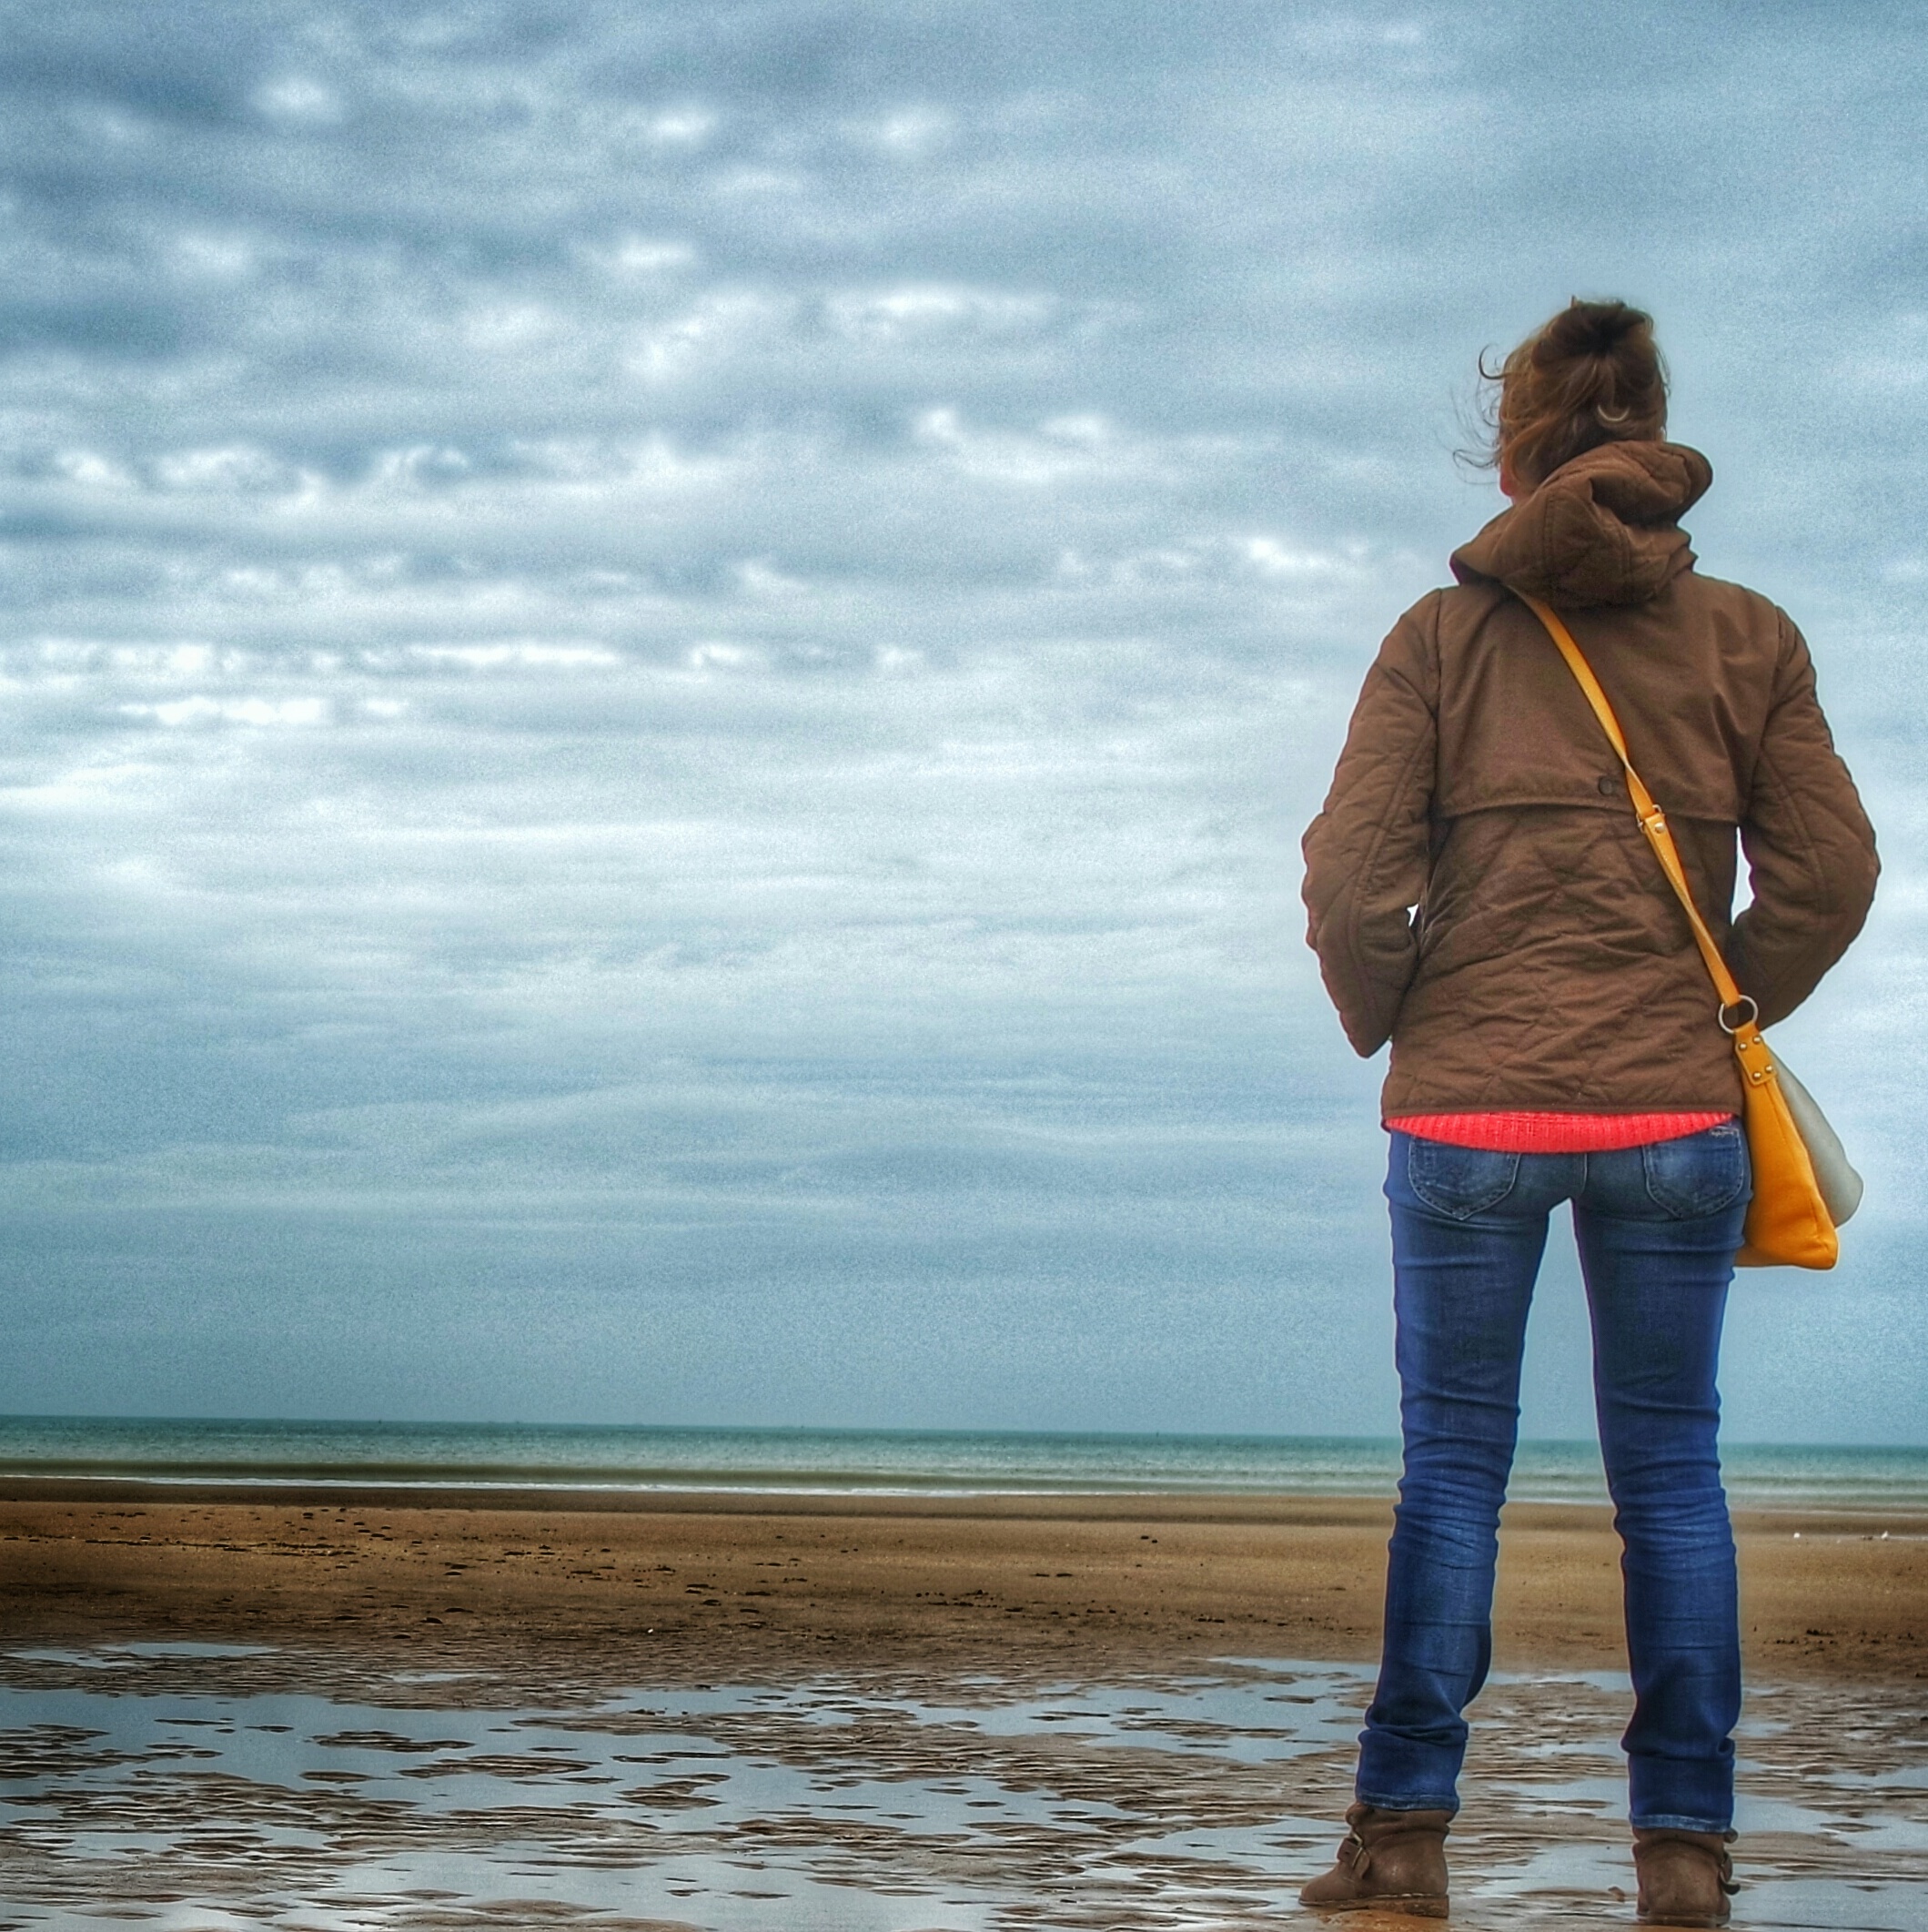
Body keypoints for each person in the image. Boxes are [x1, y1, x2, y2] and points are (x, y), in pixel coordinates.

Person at [1297, 298, 1878, 1926]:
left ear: (1517, 440)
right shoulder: (1749, 635)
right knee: (1672, 1474)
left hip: (1469, 1115)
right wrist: (1716, 1010)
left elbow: (1351, 884)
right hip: (1674, 1117)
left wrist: (1396, 1017)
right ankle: (1684, 1858)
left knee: (1455, 1470)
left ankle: (1401, 1838)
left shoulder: (1440, 635)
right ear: (1654, 437)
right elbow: (1830, 878)